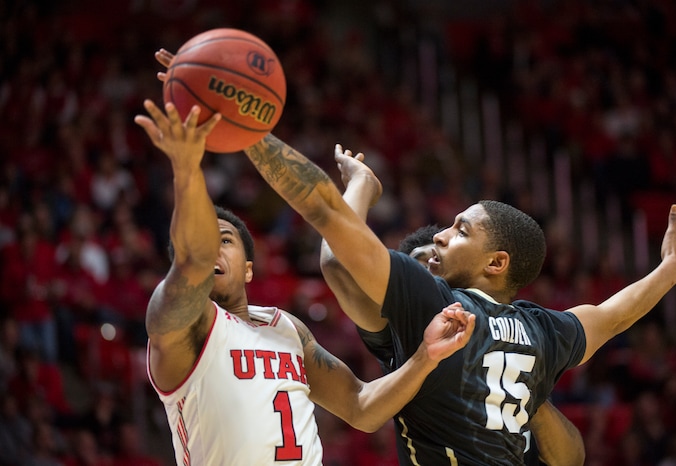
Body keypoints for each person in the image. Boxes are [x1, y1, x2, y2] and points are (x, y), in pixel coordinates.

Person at [237, 132, 676, 465]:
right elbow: (612, 316)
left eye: (460, 229)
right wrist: (670, 271)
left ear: (495, 263)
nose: (440, 236)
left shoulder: (435, 306)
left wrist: (247, 130)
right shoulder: (545, 329)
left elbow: (326, 216)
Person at [133, 100, 475, 466]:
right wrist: (186, 167)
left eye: (226, 241)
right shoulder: (183, 326)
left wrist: (426, 356)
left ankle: (361, 187)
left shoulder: (287, 328)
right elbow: (193, 260)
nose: (212, 249)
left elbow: (361, 408)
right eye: (206, 240)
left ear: (249, 269)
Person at [321, 159, 584, 466]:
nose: (426, 279)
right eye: (418, 269)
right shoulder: (393, 331)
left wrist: (528, 388)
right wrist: (361, 185)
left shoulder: (512, 344)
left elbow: (572, 459)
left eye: (435, 265)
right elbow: (338, 263)